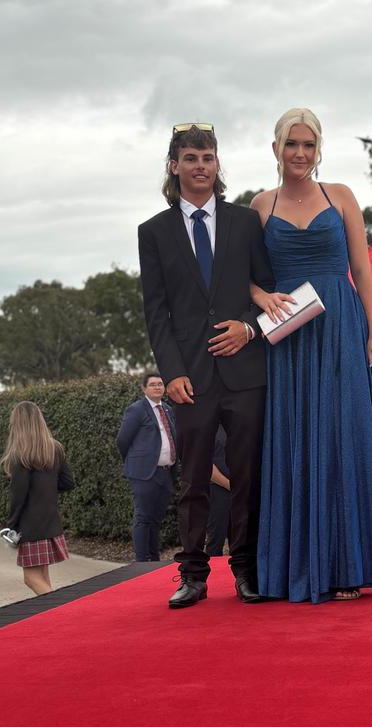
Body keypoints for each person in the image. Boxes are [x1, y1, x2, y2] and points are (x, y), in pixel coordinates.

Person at [249, 107, 372, 603]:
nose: (300, 153)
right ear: (275, 149)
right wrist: (260, 298)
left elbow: (362, 272)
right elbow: (243, 275)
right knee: (296, 439)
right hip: (290, 336)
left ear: (319, 150)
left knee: (345, 437)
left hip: (341, 327)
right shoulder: (259, 205)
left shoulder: (340, 197)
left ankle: (347, 564)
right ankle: (297, 565)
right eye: (292, 144)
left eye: (309, 145)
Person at [138, 123, 274, 608]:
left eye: (208, 157)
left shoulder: (245, 222)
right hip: (189, 378)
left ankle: (247, 570)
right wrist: (172, 372)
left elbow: (267, 290)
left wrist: (249, 327)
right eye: (191, 157)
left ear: (218, 166)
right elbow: (157, 312)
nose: (200, 166)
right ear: (174, 166)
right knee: (193, 480)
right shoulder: (153, 232)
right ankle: (192, 575)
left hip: (246, 373)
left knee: (247, 476)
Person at [0, 401, 75, 596]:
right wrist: (46, 489)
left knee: (31, 578)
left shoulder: (20, 456)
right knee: (43, 578)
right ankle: (52, 619)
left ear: (17, 424)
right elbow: (68, 483)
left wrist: (11, 527)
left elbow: (18, 496)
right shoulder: (55, 448)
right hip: (50, 522)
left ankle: (61, 613)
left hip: (30, 528)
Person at [116, 372, 178, 561]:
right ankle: (142, 562)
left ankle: (154, 559)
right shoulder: (136, 410)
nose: (158, 387)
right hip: (143, 473)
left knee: (156, 519)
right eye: (153, 384)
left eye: (160, 384)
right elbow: (122, 440)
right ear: (144, 389)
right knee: (143, 517)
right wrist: (137, 461)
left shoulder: (167, 410)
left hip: (165, 473)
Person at [205, 425, 231, 556]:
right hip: (217, 491)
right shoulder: (208, 426)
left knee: (240, 539)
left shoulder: (236, 424)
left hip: (240, 492)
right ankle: (213, 574)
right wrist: (228, 484)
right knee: (216, 539)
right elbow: (204, 463)